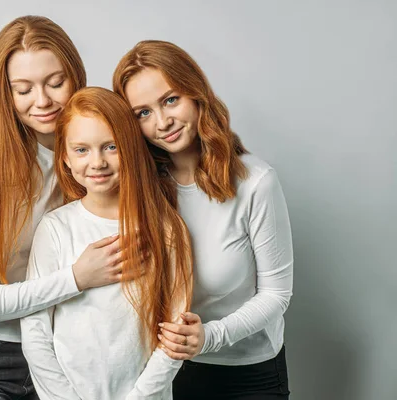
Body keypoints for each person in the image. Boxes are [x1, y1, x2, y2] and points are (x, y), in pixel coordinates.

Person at [0, 16, 125, 400]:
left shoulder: (89, 155)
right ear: (6, 94)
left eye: (55, 83)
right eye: (24, 89)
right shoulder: (0, 176)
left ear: (75, 75)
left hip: (55, 353)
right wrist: (77, 278)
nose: (43, 101)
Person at [113, 40, 294, 399]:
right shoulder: (139, 188)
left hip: (248, 374)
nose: (162, 122)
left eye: (170, 100)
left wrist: (209, 337)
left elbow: (277, 294)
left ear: (196, 94)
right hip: (162, 370)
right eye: (142, 113)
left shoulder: (255, 182)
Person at [20, 87, 194, 400]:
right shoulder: (57, 228)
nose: (97, 162)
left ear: (130, 149)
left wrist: (140, 396)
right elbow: (35, 329)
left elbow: (175, 331)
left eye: (111, 147)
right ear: (66, 159)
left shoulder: (165, 228)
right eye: (82, 150)